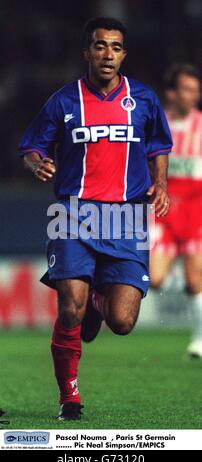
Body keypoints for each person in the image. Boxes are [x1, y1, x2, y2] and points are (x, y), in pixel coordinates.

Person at [19, 17, 172, 420]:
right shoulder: (64, 101)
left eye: (116, 47)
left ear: (124, 54)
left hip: (126, 217)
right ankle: (69, 396)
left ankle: (97, 306)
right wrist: (37, 165)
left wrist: (161, 183)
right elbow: (32, 146)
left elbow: (159, 145)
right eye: (100, 46)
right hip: (73, 212)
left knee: (122, 321)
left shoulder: (143, 99)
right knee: (70, 308)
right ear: (87, 52)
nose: (108, 54)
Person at [150, 63, 202, 357]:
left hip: (197, 211)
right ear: (171, 93)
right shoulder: (158, 126)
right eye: (187, 89)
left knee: (196, 280)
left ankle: (200, 337)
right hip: (164, 210)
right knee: (154, 279)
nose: (193, 95)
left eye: (196, 90)